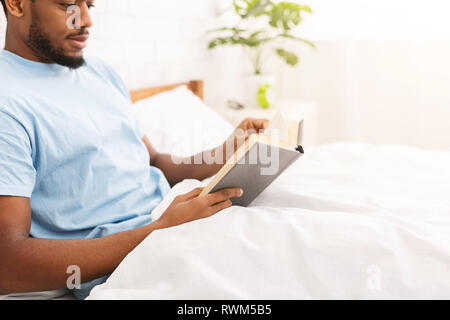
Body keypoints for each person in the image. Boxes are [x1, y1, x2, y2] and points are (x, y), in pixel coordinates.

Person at [0, 0, 269, 299]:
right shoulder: (7, 101)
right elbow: (7, 263)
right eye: (68, 5)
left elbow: (153, 161)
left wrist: (223, 155)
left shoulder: (99, 72)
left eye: (89, 5)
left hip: (171, 216)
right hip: (133, 254)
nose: (86, 20)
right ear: (17, 4)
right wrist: (158, 230)